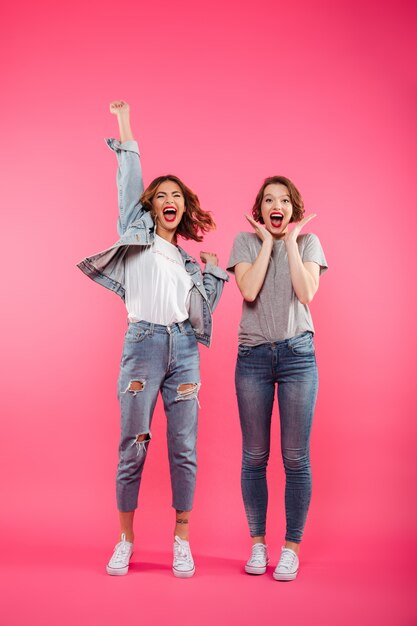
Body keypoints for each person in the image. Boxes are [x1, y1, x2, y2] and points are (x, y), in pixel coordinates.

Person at [77, 101, 228, 578]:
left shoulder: (186, 264)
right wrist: (125, 126)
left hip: (184, 351)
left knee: (183, 447)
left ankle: (181, 540)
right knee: (133, 443)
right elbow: (129, 182)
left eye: (175, 196)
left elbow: (203, 316)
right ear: (151, 205)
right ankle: (125, 539)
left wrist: (215, 274)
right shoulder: (136, 233)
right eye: (160, 194)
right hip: (142, 345)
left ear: (182, 209)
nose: (168, 199)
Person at [227, 176, 327, 581]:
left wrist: (289, 240)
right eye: (269, 199)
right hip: (252, 357)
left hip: (297, 357)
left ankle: (291, 548)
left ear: (293, 208)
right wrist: (267, 240)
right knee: (254, 457)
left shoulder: (308, 243)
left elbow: (305, 294)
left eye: (284, 200)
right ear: (260, 209)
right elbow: (249, 290)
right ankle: (258, 546)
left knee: (295, 457)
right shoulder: (245, 242)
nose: (277, 204)